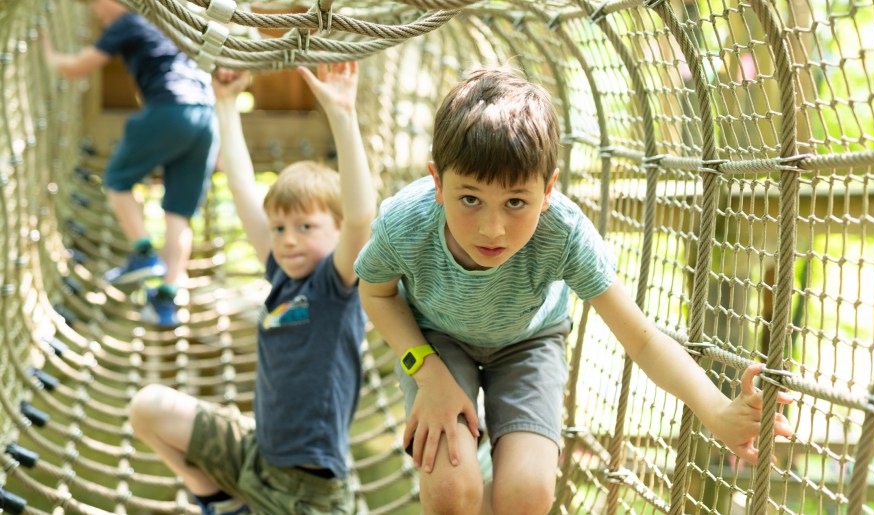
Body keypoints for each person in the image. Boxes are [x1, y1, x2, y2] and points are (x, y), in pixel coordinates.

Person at [354, 66, 795, 514]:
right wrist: (428, 375)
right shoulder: (407, 223)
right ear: (437, 183)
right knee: (450, 492)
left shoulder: (562, 233)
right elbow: (376, 293)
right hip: (436, 340)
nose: (492, 228)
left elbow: (641, 339)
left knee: (526, 496)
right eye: (469, 198)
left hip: (527, 343)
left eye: (515, 202)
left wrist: (717, 411)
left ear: (548, 191)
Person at [127, 61, 374, 515]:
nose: (288, 238)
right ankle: (219, 500)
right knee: (148, 407)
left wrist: (342, 113)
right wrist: (225, 103)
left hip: (305, 493)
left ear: (338, 233)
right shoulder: (282, 273)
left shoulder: (334, 285)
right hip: (255, 454)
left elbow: (361, 217)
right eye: (279, 228)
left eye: (305, 225)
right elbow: (242, 189)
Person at [42, 0, 218, 326]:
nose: (95, 11)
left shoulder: (128, 21)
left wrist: (50, 56)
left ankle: (143, 253)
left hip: (170, 108)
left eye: (97, 3)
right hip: (206, 117)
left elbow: (77, 66)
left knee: (116, 180)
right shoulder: (170, 27)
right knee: (178, 214)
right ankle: (166, 299)